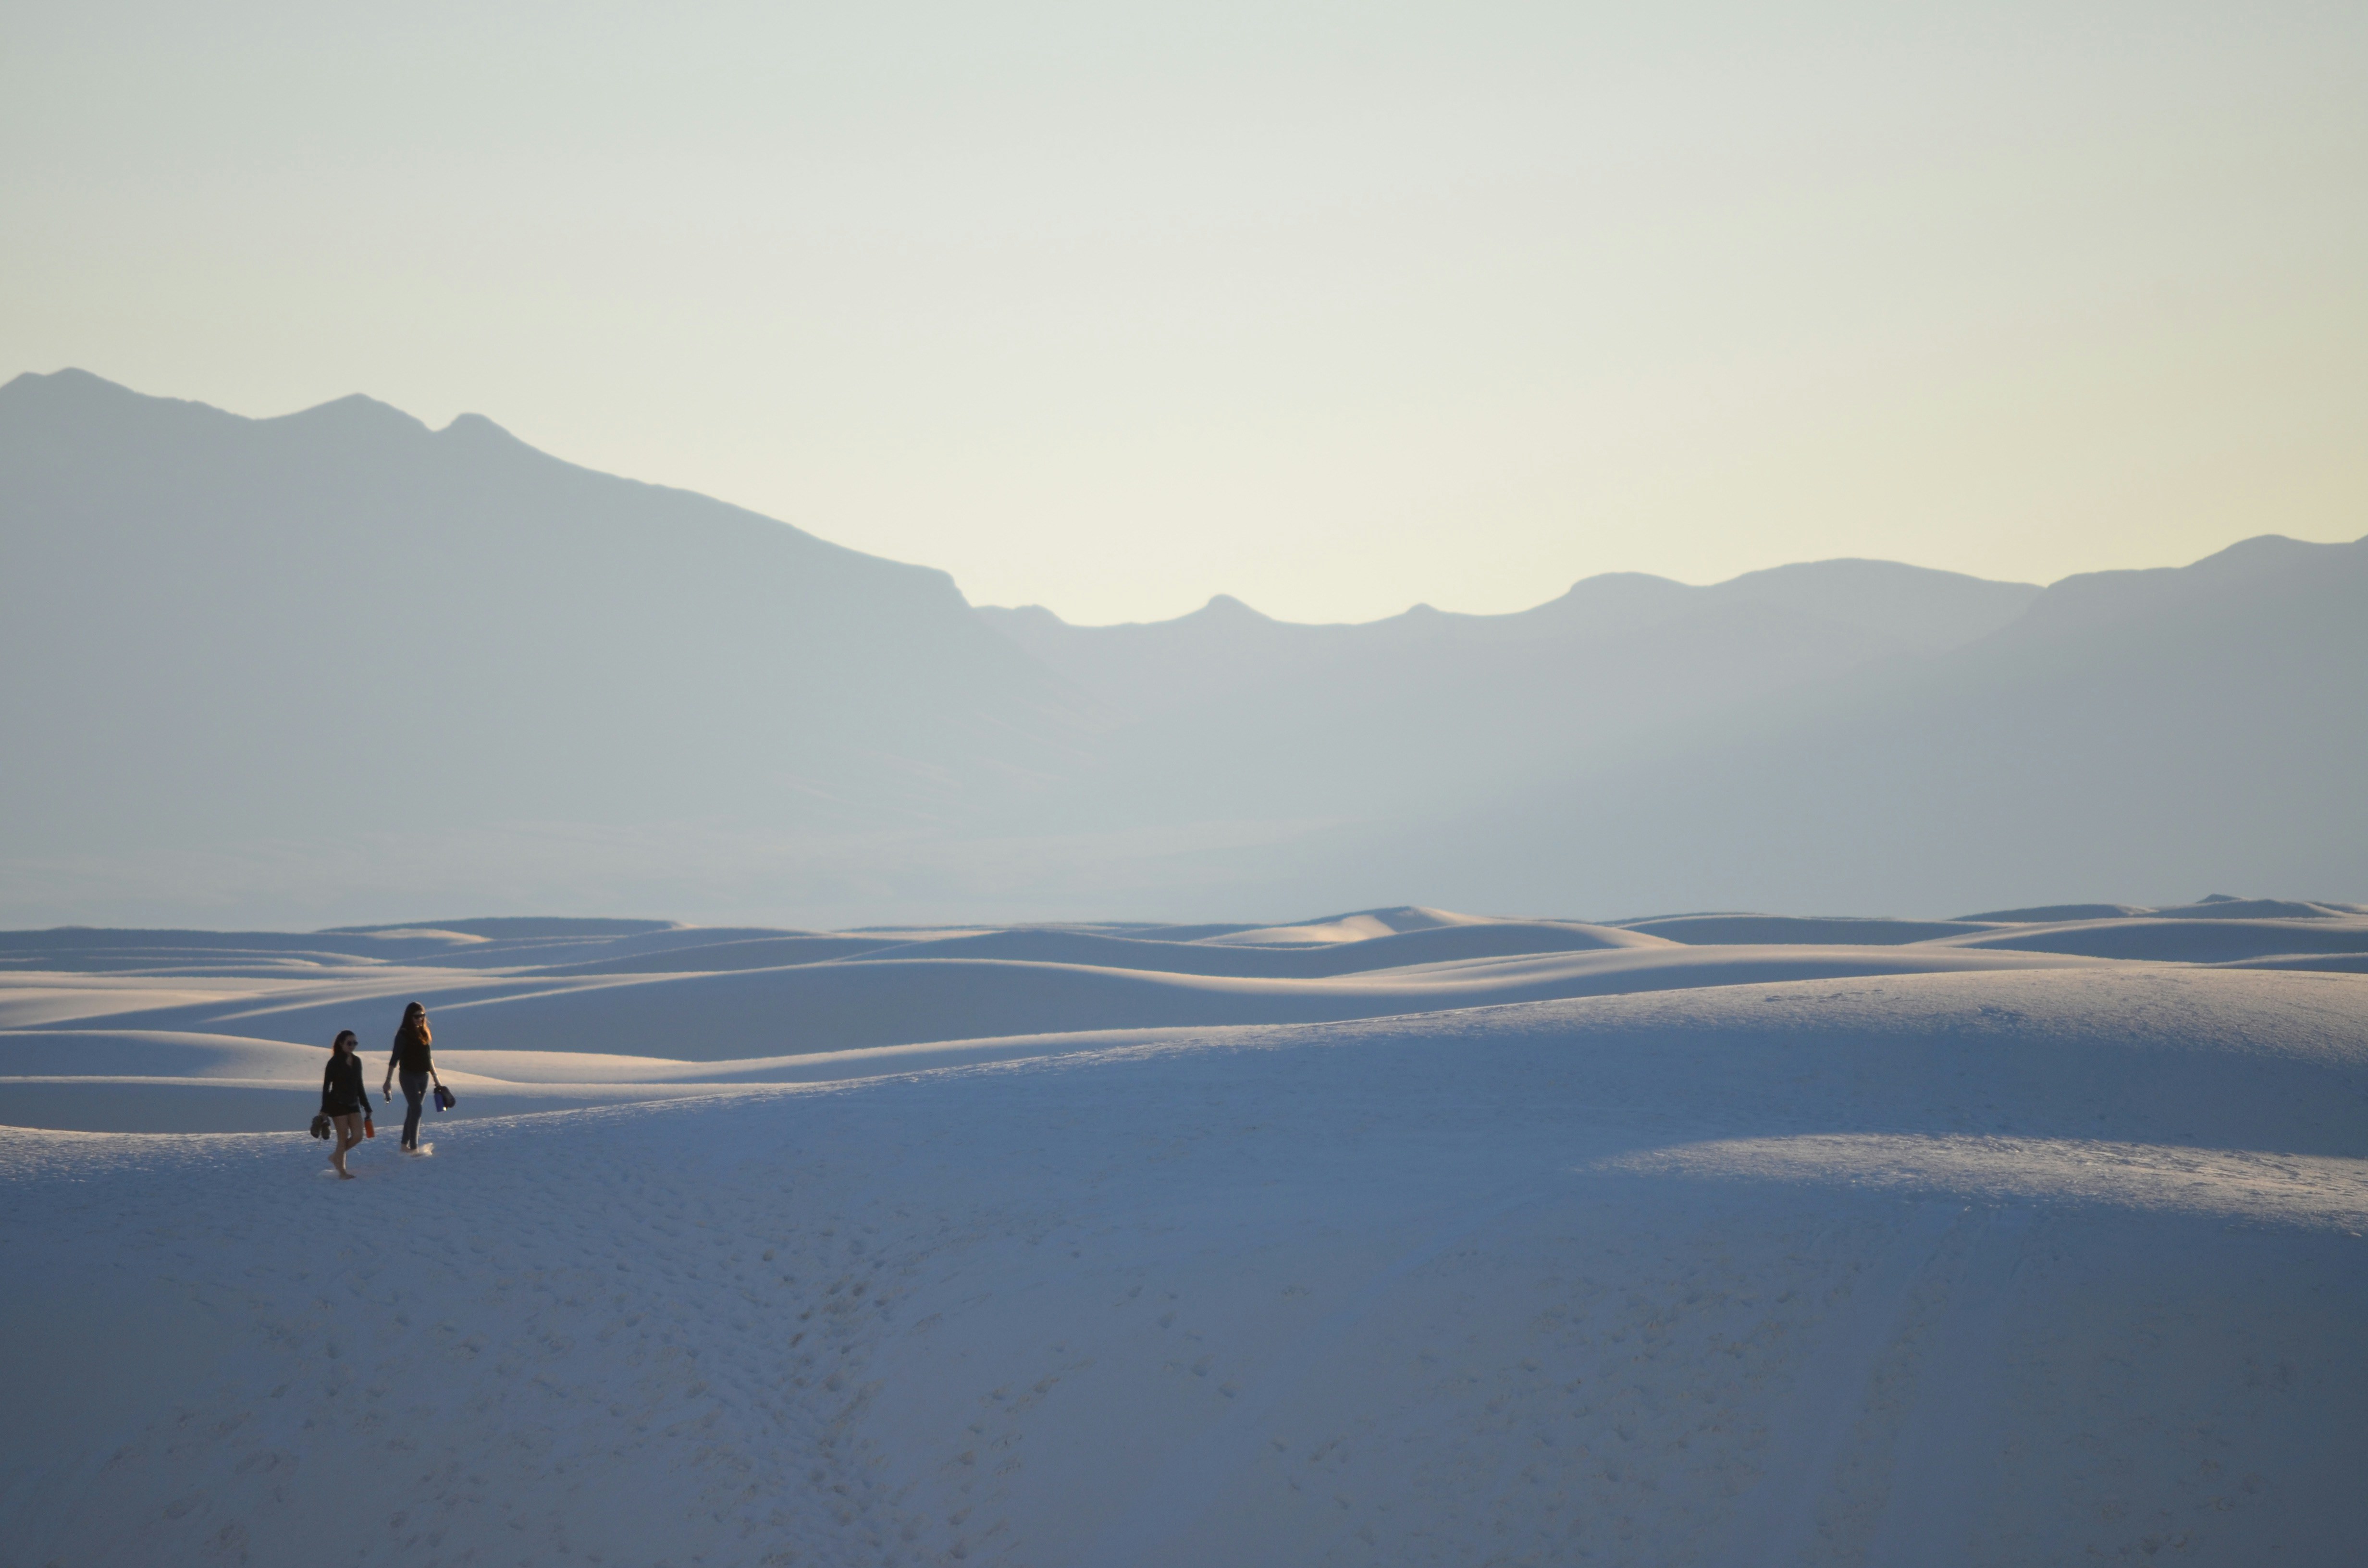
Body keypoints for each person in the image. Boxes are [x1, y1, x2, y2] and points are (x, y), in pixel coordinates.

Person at [382, 1001, 444, 1153]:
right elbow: (394, 1058)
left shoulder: (424, 1032)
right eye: (417, 1016)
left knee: (413, 1110)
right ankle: (415, 1149)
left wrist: (436, 1079)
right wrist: (388, 1081)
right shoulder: (403, 1034)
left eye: (423, 1016)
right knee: (417, 1109)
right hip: (408, 1076)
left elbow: (429, 1059)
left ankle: (404, 1146)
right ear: (410, 1017)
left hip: (424, 1077)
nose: (420, 1019)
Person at [320, 1029, 372, 1179]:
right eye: (349, 1043)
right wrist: (324, 1110)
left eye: (355, 1043)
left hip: (353, 1103)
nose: (352, 1046)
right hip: (337, 1104)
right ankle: (342, 1172)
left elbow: (359, 1085)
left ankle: (336, 1156)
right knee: (342, 1137)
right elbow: (326, 1087)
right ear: (341, 1043)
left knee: (358, 1136)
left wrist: (367, 1107)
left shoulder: (357, 1061)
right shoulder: (334, 1062)